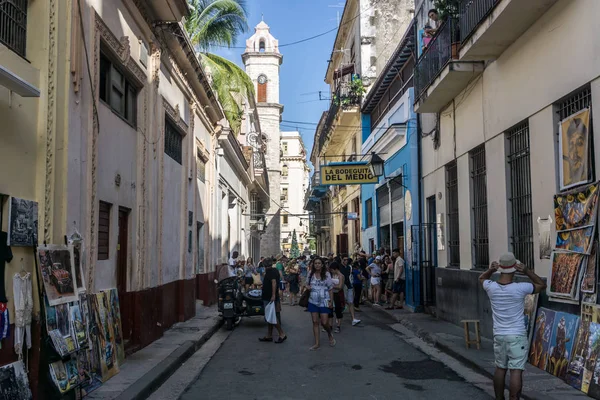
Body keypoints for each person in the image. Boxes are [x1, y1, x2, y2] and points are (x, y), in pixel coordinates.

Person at [479, 253, 546, 400]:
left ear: (501, 269)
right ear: (515, 269)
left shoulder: (491, 287)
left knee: (500, 368)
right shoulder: (521, 287)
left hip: (499, 334)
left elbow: (482, 278)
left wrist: (491, 270)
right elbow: (541, 285)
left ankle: (499, 398)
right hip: (517, 335)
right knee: (516, 371)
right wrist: (527, 271)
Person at [306, 257, 335, 350]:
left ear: (322, 265)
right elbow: (306, 284)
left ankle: (329, 334)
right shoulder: (310, 274)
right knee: (315, 322)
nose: (317, 265)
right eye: (316, 263)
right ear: (313, 265)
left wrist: (331, 301)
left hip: (324, 301)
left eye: (319, 263)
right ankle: (317, 343)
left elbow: (330, 288)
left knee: (324, 322)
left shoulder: (326, 274)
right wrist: (308, 287)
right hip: (312, 301)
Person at [259, 258, 287, 344]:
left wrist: (273, 295)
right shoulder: (274, 270)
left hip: (269, 297)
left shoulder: (270, 272)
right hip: (270, 296)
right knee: (269, 316)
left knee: (271, 316)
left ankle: (281, 334)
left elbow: (274, 282)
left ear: (264, 265)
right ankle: (269, 335)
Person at [341, 256, 360, 326]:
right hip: (342, 287)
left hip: (348, 286)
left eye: (347, 260)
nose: (346, 261)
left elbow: (349, 277)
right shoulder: (339, 267)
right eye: (344, 260)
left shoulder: (349, 267)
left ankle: (353, 318)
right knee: (341, 303)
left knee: (351, 302)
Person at [329, 262, 345, 333]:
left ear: (335, 269)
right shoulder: (332, 275)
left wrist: (332, 286)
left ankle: (338, 326)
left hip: (338, 294)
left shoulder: (341, 276)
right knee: (330, 309)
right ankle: (330, 325)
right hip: (332, 293)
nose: (331, 271)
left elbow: (340, 287)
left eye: (332, 269)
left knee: (338, 310)